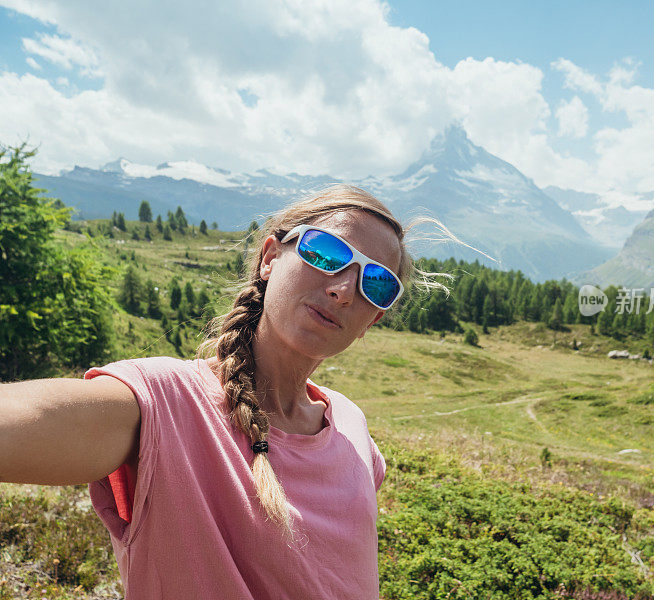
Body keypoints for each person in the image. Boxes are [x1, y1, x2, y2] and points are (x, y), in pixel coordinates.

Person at [0, 185, 444, 599]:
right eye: (327, 252)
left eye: (377, 283)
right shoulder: (166, 403)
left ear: (374, 319)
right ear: (270, 257)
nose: (344, 289)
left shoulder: (352, 427)